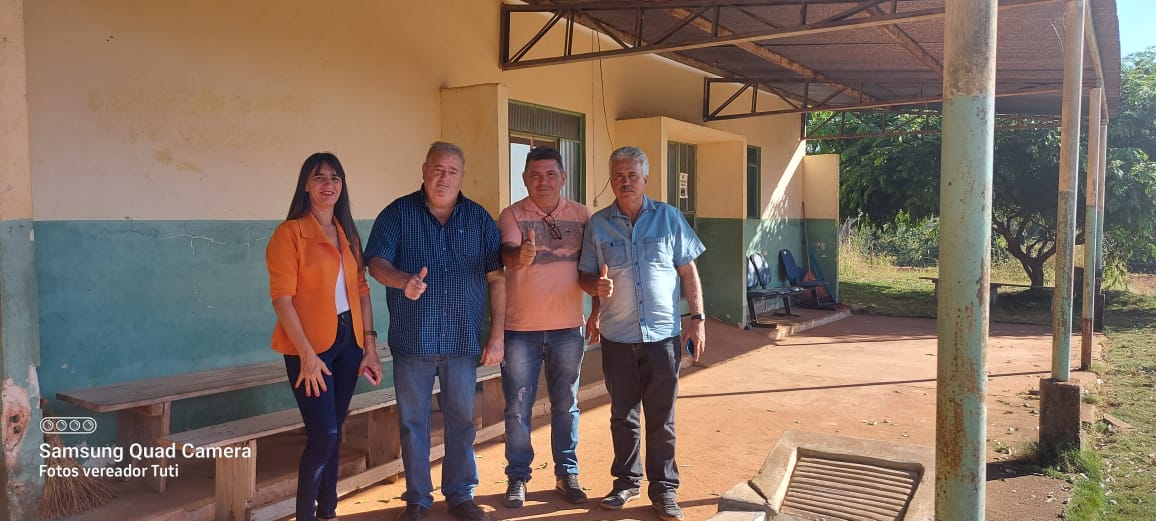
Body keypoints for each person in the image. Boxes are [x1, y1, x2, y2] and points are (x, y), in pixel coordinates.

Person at [363, 142, 504, 521]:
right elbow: (376, 263)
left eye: (452, 171)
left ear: (462, 176)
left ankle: (460, 494)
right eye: (438, 169)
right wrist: (402, 280)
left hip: (461, 340)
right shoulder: (397, 214)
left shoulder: (479, 219)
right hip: (413, 340)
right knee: (413, 424)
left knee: (462, 422)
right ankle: (418, 499)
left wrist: (497, 334)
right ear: (424, 170)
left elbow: (497, 278)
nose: (444, 177)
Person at [577, 146, 706, 521]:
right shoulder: (598, 224)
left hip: (663, 337)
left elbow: (688, 271)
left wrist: (697, 318)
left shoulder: (669, 218)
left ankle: (664, 489)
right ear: (611, 179)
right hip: (617, 337)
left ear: (645, 178)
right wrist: (594, 290)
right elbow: (586, 274)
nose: (625, 182)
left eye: (632, 175)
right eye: (618, 175)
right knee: (623, 415)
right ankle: (626, 482)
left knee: (662, 417)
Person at [266, 152, 384, 521]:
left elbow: (362, 291)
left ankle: (328, 513)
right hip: (309, 350)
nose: (328, 184)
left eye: (335, 177)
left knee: (334, 433)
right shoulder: (289, 234)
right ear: (306, 185)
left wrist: (370, 347)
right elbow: (282, 300)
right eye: (319, 177)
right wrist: (306, 355)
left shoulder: (347, 233)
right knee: (324, 436)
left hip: (349, 345)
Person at [497, 147, 596, 508]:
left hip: (568, 329)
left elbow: (594, 269)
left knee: (566, 405)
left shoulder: (583, 216)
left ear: (563, 178)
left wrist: (597, 311)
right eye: (535, 175)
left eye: (550, 174)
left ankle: (566, 473)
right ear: (525, 179)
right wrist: (519, 256)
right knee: (517, 408)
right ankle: (517, 477)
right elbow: (507, 254)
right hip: (519, 331)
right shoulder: (512, 215)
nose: (543, 181)